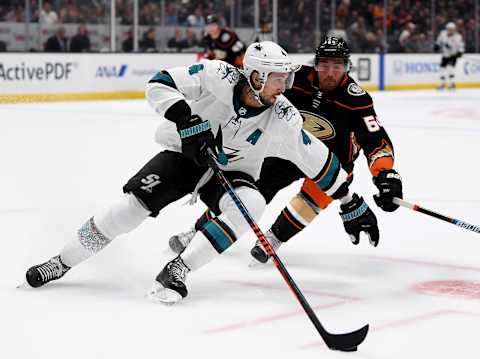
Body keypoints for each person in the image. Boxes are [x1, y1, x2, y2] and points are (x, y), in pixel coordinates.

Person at [24, 41, 377, 306]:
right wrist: (186, 121)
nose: (284, 88)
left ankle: (179, 269)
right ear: (255, 76)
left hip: (234, 171)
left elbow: (319, 160)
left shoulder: (283, 116)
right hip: (183, 157)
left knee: (250, 202)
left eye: (286, 79)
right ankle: (62, 261)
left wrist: (350, 200)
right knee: (127, 212)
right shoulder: (216, 75)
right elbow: (159, 83)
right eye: (277, 80)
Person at [168, 37, 401, 264]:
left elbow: (376, 141)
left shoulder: (356, 99)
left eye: (338, 66)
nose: (330, 72)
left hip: (332, 161)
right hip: (288, 150)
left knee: (312, 199)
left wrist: (384, 175)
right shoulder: (292, 77)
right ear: (315, 64)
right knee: (251, 191)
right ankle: (197, 231)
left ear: (347, 67)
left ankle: (273, 239)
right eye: (325, 65)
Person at [435, 22, 465, 90]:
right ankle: (442, 83)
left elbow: (461, 46)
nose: (450, 30)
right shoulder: (442, 34)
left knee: (450, 69)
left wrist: (460, 52)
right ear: (447, 29)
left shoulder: (458, 36)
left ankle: (452, 83)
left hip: (453, 55)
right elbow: (439, 41)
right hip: (445, 54)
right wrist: (436, 45)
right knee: (442, 69)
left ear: (454, 29)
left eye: (452, 29)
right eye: (449, 29)